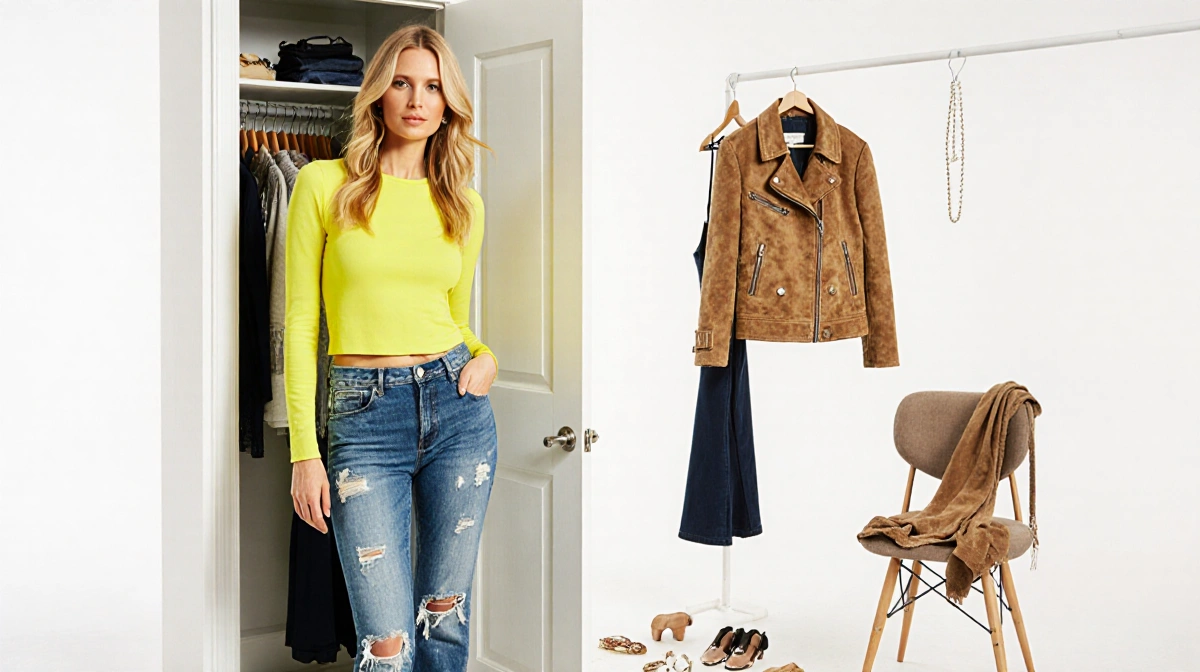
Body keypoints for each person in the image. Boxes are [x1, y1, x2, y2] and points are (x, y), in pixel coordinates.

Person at [284, 23, 499, 672]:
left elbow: (456, 319)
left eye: (433, 87)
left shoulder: (463, 203)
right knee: (384, 645)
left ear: (448, 105)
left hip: (457, 409)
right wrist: (304, 454)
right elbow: (299, 324)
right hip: (362, 419)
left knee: (444, 622)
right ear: (377, 94)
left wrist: (485, 353)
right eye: (401, 83)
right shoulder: (324, 185)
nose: (416, 99)